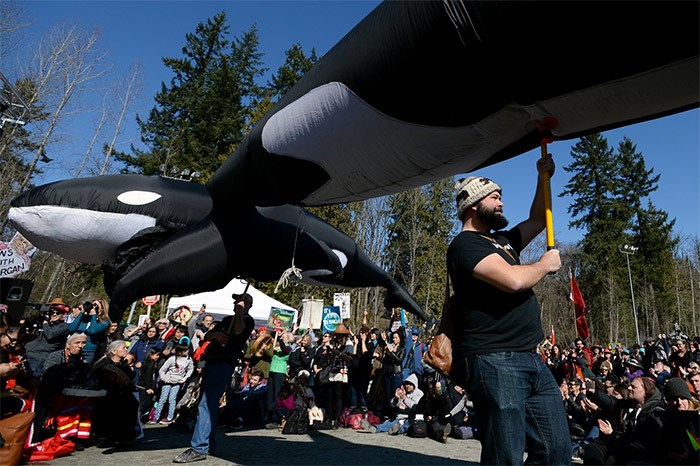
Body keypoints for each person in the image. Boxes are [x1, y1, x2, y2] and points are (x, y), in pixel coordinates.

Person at [446, 155, 570, 465]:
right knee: (506, 456)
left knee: (555, 449)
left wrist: (544, 179)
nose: (501, 202)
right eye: (495, 197)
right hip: (495, 360)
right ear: (474, 204)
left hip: (530, 357)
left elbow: (539, 220)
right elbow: (513, 280)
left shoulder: (502, 241)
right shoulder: (465, 245)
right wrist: (545, 264)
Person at [173, 292, 255, 464]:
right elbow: (207, 336)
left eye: (240, 301)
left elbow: (239, 329)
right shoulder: (226, 320)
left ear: (247, 304)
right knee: (206, 403)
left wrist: (241, 312)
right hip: (212, 361)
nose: (235, 303)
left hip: (225, 363)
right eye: (236, 301)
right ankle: (207, 442)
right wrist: (216, 335)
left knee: (206, 403)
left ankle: (199, 447)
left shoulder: (247, 320)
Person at [23, 297, 71, 378]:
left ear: (64, 315)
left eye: (58, 313)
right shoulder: (43, 323)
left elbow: (50, 335)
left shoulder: (65, 326)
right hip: (26, 354)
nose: (54, 314)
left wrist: (45, 322)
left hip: (38, 359)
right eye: (52, 312)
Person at [152, 344, 194, 424]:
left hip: (177, 382)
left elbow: (190, 369)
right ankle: (156, 416)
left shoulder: (188, 359)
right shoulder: (172, 359)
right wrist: (164, 378)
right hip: (168, 381)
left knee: (172, 399)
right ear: (180, 352)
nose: (187, 352)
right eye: (185, 350)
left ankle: (169, 417)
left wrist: (184, 378)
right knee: (162, 399)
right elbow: (162, 369)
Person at [67, 299, 111, 364]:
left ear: (102, 309)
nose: (93, 307)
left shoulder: (104, 322)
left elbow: (93, 331)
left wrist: (93, 315)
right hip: (74, 348)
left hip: (88, 352)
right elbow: (71, 329)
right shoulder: (84, 318)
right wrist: (82, 313)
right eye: (92, 305)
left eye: (96, 306)